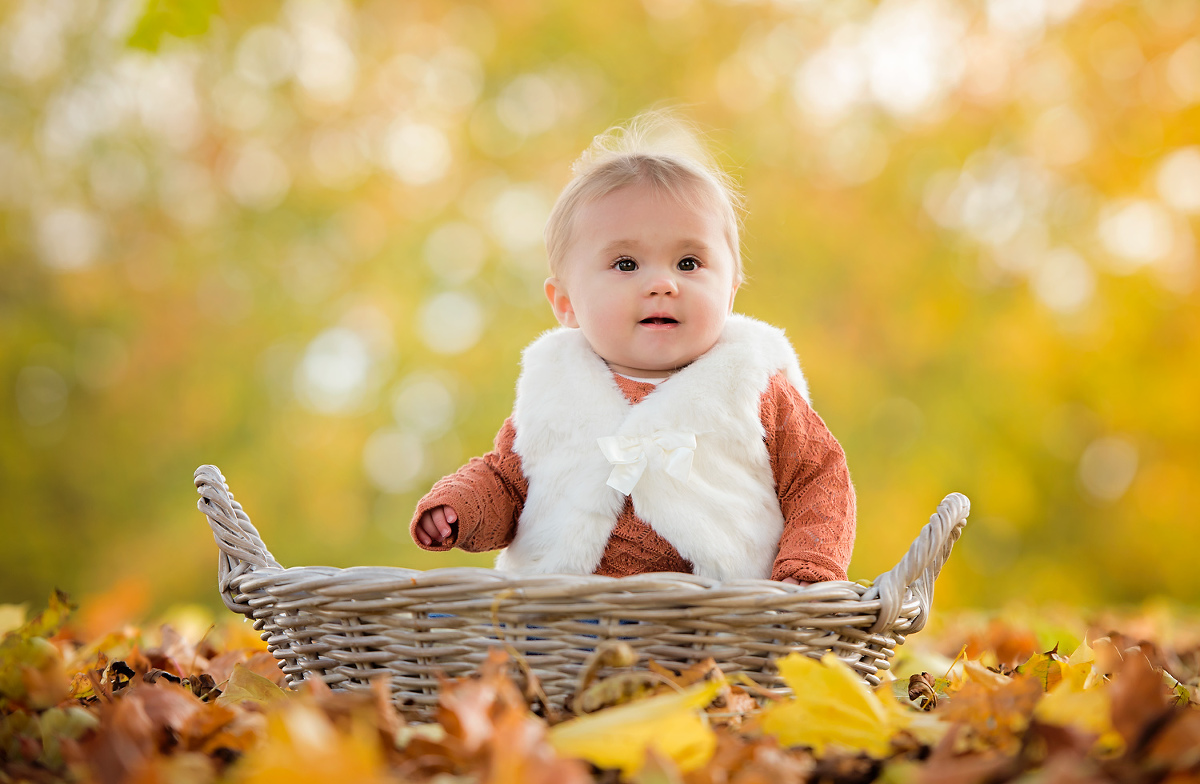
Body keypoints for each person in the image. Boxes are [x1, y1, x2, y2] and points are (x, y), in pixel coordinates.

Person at [410, 111, 855, 585]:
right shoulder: (556, 390)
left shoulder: (751, 385)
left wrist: (806, 573)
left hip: (727, 617)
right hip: (566, 623)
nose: (662, 283)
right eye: (626, 264)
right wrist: (461, 508)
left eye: (688, 262)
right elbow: (507, 481)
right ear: (566, 304)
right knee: (444, 617)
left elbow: (819, 480)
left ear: (729, 293)